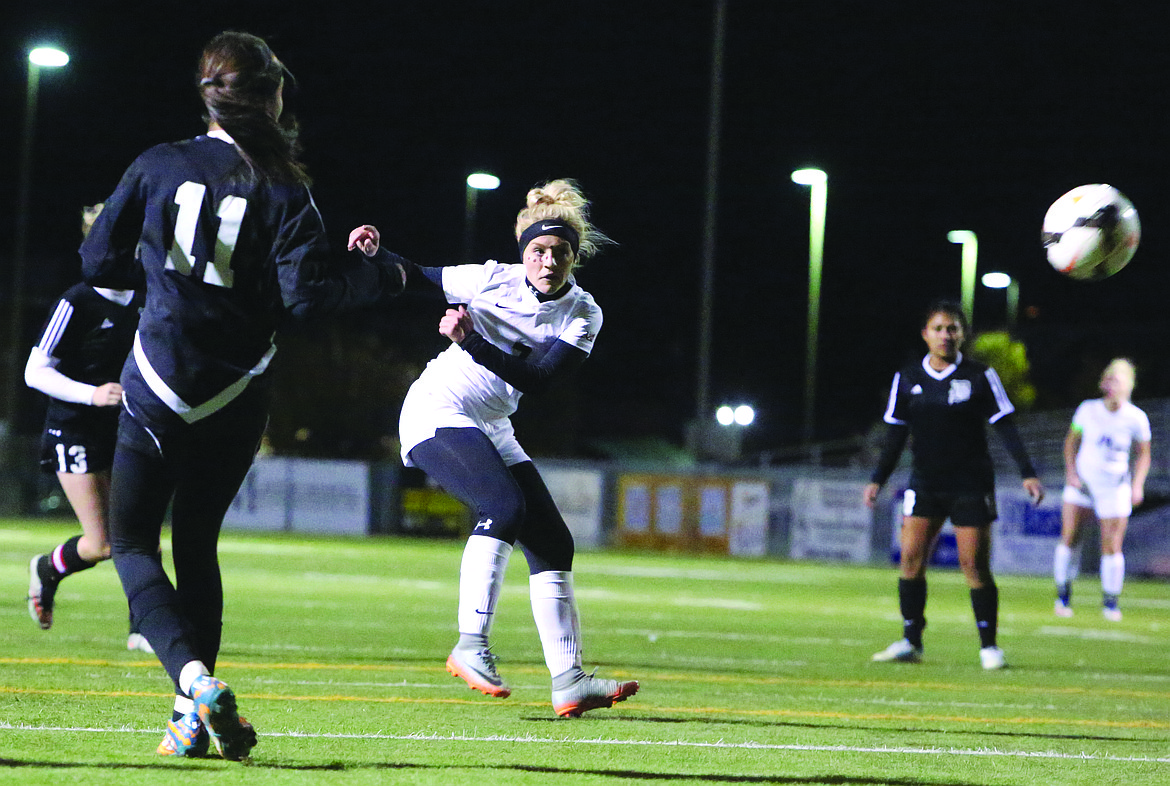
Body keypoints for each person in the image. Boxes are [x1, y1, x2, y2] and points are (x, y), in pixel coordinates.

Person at [80, 31, 408, 760]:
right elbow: (307, 299)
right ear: (268, 98)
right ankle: (187, 719)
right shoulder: (287, 187)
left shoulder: (158, 164)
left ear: (206, 93)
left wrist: (162, 280)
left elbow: (96, 256)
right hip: (235, 391)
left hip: (157, 382)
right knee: (198, 546)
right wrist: (379, 274)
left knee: (133, 541)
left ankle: (192, 684)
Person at [362, 178, 638, 717]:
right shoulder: (492, 279)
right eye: (538, 250)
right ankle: (471, 643)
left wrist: (472, 342)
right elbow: (416, 277)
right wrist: (377, 255)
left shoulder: (584, 313)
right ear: (523, 253)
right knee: (504, 508)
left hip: (491, 423)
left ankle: (569, 680)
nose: (548, 260)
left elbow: (536, 381)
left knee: (554, 544)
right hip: (436, 410)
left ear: (574, 258)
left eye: (560, 252)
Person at [863, 300, 1044, 670]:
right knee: (911, 561)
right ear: (925, 334)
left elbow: (1004, 424)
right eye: (939, 328)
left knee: (973, 565)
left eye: (953, 329)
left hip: (970, 484)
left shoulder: (979, 375)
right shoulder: (909, 378)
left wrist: (1027, 470)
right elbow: (896, 434)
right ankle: (910, 641)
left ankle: (989, 647)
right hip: (925, 482)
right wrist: (877, 479)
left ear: (963, 334)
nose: (946, 335)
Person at [24, 204, 154, 653]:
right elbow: (35, 371)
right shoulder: (76, 300)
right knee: (101, 544)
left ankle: (145, 628)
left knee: (140, 532)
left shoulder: (147, 295)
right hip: (74, 428)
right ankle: (48, 568)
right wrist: (92, 393)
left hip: (126, 429)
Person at [1054, 358, 1151, 621]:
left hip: (1115, 488)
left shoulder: (1137, 419)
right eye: (1109, 379)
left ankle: (1110, 601)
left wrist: (1137, 485)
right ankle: (1062, 594)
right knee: (1070, 535)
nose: (1112, 384)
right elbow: (1071, 442)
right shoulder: (1087, 410)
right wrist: (1072, 474)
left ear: (1129, 385)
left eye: (1118, 380)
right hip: (1083, 485)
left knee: (1112, 544)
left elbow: (1143, 454)